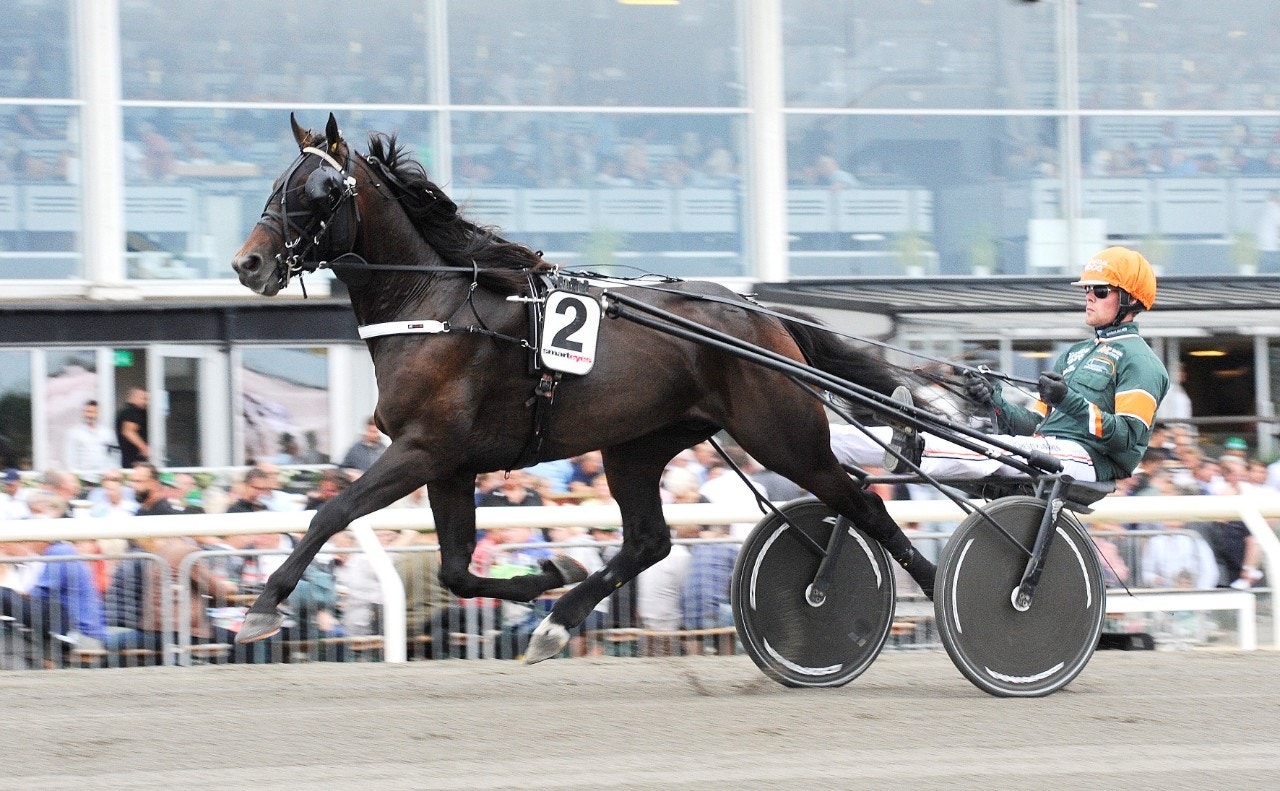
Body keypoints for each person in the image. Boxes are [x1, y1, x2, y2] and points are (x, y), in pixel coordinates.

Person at [831, 247, 1170, 485]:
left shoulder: (1141, 362)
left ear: (1129, 298)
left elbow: (1126, 439)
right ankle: (829, 438)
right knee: (979, 441)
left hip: (1090, 461)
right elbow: (1033, 424)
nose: (1088, 297)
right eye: (1086, 290)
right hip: (1049, 449)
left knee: (986, 450)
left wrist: (1068, 400)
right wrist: (992, 399)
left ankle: (914, 447)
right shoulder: (1073, 354)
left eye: (1099, 290)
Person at [63, 400, 120, 473]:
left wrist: (113, 470)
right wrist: (76, 474)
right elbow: (70, 457)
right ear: (84, 413)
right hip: (83, 476)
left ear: (98, 413)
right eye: (88, 411)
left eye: (93, 412)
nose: (90, 415)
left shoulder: (107, 433)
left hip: (104, 475)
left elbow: (115, 454)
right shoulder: (76, 433)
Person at [114, 388, 150, 468]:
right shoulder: (132, 411)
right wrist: (144, 448)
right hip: (133, 459)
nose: (146, 402)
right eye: (144, 398)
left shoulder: (126, 412)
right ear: (134, 398)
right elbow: (128, 432)